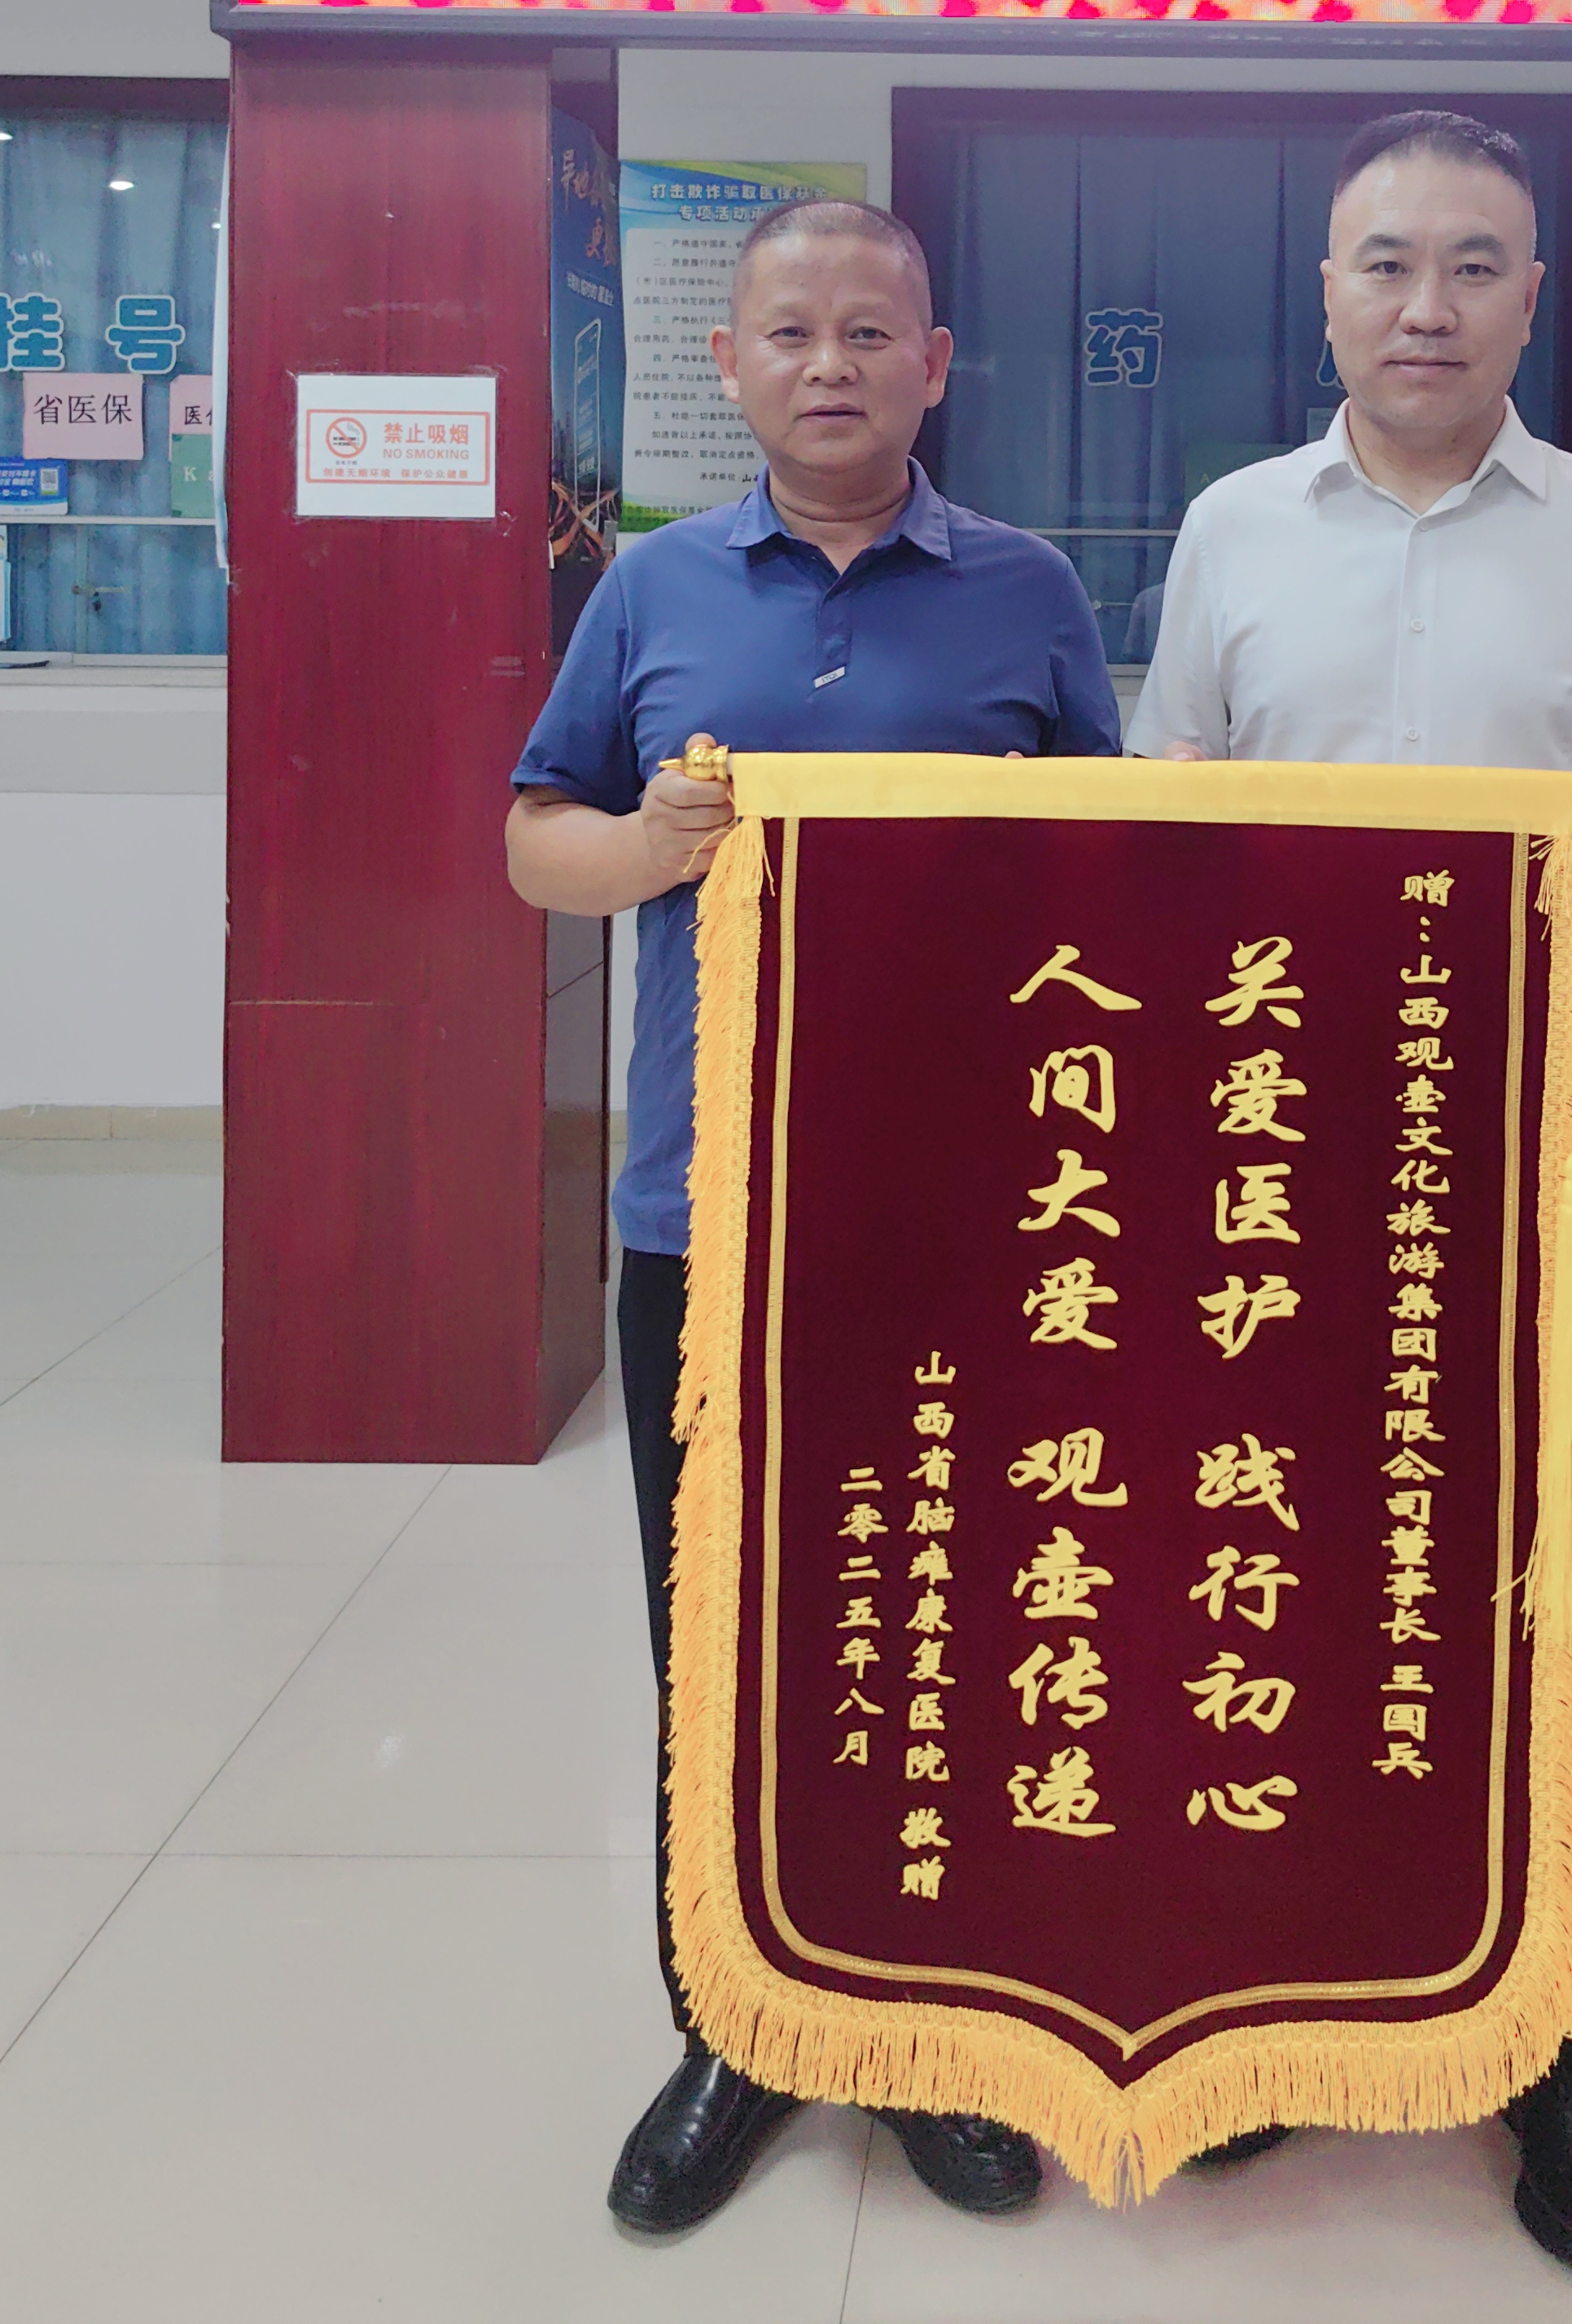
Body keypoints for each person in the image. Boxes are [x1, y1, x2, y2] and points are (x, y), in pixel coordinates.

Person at [1129, 107, 1572, 2278]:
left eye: (1475, 263)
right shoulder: (1232, 526)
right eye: (1387, 261)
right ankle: (1289, 1990)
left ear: (1532, 298)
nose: (1428, 303)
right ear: (1325, 294)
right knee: (1284, 1545)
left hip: (1543, 1100)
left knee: (1552, 1551)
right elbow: (1167, 790)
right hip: (1278, 1115)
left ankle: (1552, 2027)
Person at [506, 197, 1122, 2238]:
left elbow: (1116, 868)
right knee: (721, 1627)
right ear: (730, 363)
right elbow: (535, 841)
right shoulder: (651, 583)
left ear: (936, 363)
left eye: (873, 330)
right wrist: (647, 842)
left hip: (981, 1219)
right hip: (713, 1207)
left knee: (952, 1613)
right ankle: (738, 2031)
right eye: (792, 330)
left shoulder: (1029, 589)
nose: (832, 362)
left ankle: (934, 2029)